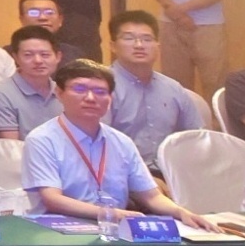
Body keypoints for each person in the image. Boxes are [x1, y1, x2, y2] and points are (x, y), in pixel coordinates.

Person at [17, 64, 204, 230]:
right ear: (59, 93)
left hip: (113, 230)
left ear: (110, 98)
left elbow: (151, 196)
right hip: (57, 231)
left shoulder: (121, 142)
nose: (90, 98)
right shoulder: (42, 139)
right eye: (79, 89)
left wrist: (181, 212)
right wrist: (111, 213)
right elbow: (52, 200)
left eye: (100, 92)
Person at [100, 12, 212, 151]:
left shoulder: (173, 88)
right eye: (129, 38)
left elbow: (197, 139)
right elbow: (95, 144)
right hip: (118, 164)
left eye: (147, 39)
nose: (139, 45)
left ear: (157, 46)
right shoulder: (100, 88)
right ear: (113, 46)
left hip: (168, 164)